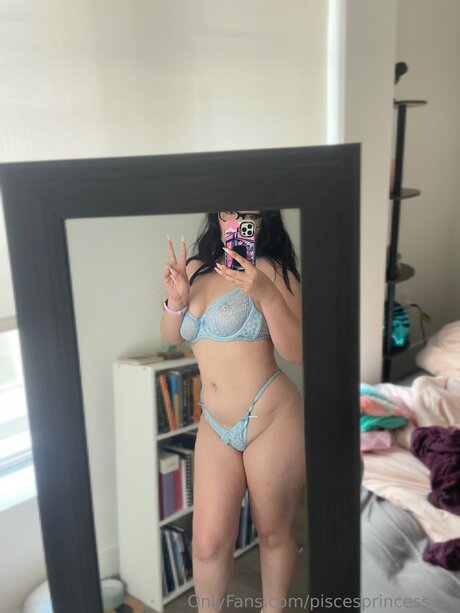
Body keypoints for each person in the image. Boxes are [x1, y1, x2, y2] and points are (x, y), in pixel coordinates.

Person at [160, 210, 306, 613]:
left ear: (264, 220)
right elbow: (172, 336)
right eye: (229, 212)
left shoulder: (272, 271)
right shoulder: (195, 268)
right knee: (207, 543)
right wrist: (176, 300)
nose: (236, 220)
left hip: (271, 419)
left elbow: (296, 352)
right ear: (217, 215)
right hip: (215, 423)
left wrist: (266, 294)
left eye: (248, 214)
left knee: (273, 534)